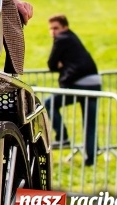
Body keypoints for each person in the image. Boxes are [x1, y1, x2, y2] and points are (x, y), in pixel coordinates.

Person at [43, 14, 101, 166]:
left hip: (78, 84)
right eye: (51, 29)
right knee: (90, 123)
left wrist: (61, 65)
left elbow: (51, 64)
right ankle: (91, 159)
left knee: (48, 103)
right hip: (95, 83)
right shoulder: (72, 37)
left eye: (56, 28)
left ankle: (62, 136)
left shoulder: (62, 39)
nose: (53, 32)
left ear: (65, 28)